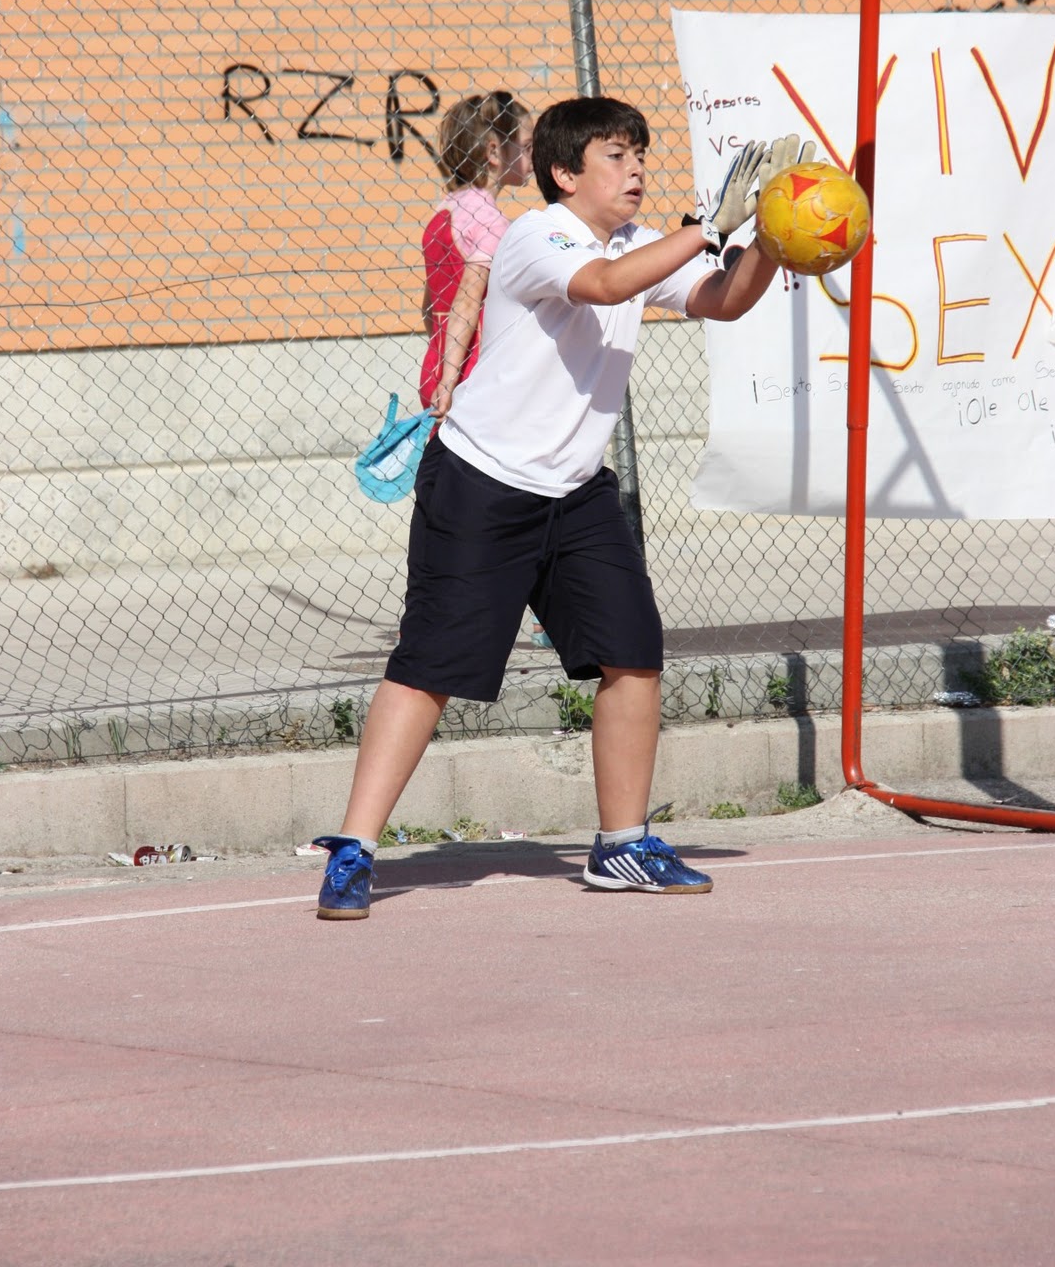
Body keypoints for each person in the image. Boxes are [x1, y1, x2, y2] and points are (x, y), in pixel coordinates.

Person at [313, 97, 806, 919]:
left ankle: (622, 846)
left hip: (575, 492)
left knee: (632, 654)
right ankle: (353, 850)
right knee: (431, 666)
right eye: (616, 155)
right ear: (563, 173)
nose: (635, 168)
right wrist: (704, 228)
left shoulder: (640, 243)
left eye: (640, 153)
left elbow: (721, 298)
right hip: (481, 483)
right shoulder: (536, 237)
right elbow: (603, 286)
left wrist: (769, 241)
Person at [419, 90, 533, 422]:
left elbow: (430, 306)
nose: (534, 156)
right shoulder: (490, 221)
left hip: (437, 359)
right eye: (527, 147)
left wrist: (441, 367)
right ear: (494, 152)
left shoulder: (446, 209)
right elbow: (468, 302)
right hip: (472, 370)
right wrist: (450, 380)